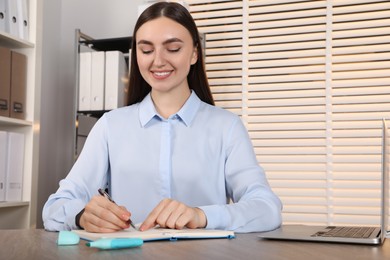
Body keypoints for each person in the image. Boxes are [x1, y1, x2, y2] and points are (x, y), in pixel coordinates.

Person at [42, 2, 282, 233]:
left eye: (173, 48)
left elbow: (267, 208)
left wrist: (202, 216)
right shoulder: (110, 126)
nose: (157, 60)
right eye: (146, 50)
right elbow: (55, 207)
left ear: (195, 53)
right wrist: (83, 216)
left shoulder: (226, 127)